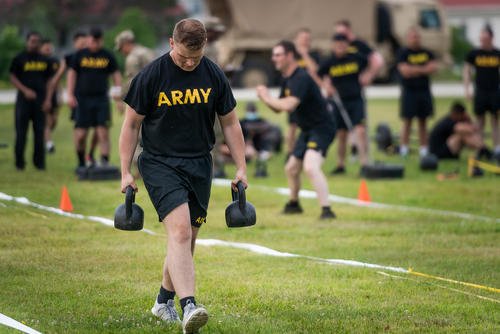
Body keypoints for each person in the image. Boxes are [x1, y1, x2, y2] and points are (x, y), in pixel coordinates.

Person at [119, 19, 247, 333]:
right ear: (171, 42)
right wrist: (124, 171)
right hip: (160, 162)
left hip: (200, 163)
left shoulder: (213, 73)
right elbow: (131, 125)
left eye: (196, 57)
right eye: (183, 57)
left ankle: (163, 300)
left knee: (188, 237)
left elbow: (229, 123)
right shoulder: (151, 75)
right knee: (179, 233)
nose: (190, 63)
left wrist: (242, 166)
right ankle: (189, 304)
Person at [257, 40, 336, 219]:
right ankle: (294, 205)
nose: (273, 59)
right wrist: (266, 98)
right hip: (307, 129)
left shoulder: (301, 77)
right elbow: (278, 107)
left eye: (278, 55)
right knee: (291, 168)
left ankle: (327, 210)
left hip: (322, 127)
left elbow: (290, 105)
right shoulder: (287, 78)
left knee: (310, 166)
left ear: (290, 56)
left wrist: (266, 97)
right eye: (273, 55)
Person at [67, 27, 122, 170]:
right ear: (88, 39)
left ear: (101, 41)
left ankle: (104, 162)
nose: (95, 44)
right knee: (81, 135)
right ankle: (81, 162)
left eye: (98, 42)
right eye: (92, 41)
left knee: (103, 132)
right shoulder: (80, 55)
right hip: (82, 99)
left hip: (101, 99)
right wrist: (70, 94)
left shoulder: (107, 55)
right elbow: (72, 74)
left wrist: (118, 95)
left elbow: (116, 75)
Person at [318, 33, 370, 175]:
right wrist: (326, 86)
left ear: (347, 45)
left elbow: (370, 63)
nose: (340, 47)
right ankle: (341, 165)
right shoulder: (329, 61)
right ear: (334, 46)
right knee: (341, 134)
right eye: (338, 44)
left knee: (360, 130)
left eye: (343, 44)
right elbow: (318, 74)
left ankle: (364, 164)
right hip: (339, 102)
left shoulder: (356, 58)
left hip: (356, 100)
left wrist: (368, 76)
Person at [335, 19, 384, 162]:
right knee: (345, 125)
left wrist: (368, 75)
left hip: (356, 90)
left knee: (359, 123)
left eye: (343, 33)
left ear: (349, 30)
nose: (340, 36)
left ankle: (362, 152)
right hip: (343, 91)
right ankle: (353, 150)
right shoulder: (338, 47)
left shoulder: (359, 45)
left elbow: (377, 60)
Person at [9, 31, 55, 170]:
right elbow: (12, 77)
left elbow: (50, 82)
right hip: (23, 102)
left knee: (39, 133)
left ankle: (39, 163)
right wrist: (25, 90)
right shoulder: (19, 58)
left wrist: (48, 99)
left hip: (40, 102)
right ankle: (19, 163)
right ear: (27, 41)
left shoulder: (44, 60)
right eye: (32, 41)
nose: (35, 44)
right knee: (21, 133)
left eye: (37, 41)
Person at [115, 30, 156, 177]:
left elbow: (133, 82)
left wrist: (121, 96)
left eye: (121, 48)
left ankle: (140, 170)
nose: (122, 52)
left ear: (126, 44)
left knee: (135, 134)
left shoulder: (133, 57)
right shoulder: (149, 52)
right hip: (158, 100)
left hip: (141, 101)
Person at [397, 27, 438, 158]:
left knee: (423, 121)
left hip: (424, 91)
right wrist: (422, 69)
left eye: (417, 37)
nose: (415, 39)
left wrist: (414, 69)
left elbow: (432, 68)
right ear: (408, 39)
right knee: (407, 121)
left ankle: (424, 149)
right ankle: (403, 149)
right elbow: (404, 71)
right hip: (409, 91)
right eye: (412, 37)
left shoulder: (427, 53)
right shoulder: (403, 53)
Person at [463, 24, 500, 159]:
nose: (482, 40)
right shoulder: (474, 54)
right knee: (479, 121)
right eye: (481, 37)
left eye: (485, 37)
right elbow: (467, 71)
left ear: (491, 38)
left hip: (495, 92)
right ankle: (480, 148)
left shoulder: (497, 54)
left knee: (495, 120)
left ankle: (497, 149)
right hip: (480, 92)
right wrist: (467, 89)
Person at [285, 28, 322, 160]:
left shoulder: (314, 55)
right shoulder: (291, 55)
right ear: (296, 40)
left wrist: (305, 55)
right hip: (295, 92)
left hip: (310, 96)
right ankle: (290, 152)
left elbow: (315, 70)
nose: (305, 41)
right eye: (303, 38)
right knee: (293, 124)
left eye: (308, 39)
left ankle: (309, 149)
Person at [203, 16, 228, 178]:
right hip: (205, 97)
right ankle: (210, 167)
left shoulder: (213, 47)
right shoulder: (201, 48)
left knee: (218, 133)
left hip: (216, 95)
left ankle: (218, 166)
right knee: (209, 133)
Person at [240, 102, 282, 177]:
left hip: (260, 146)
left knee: (263, 154)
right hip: (245, 147)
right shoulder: (242, 123)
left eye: (252, 111)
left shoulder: (262, 122)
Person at [39, 38, 60, 153]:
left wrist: (60, 96)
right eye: (45, 46)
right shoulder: (40, 61)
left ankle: (44, 137)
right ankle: (49, 144)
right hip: (44, 94)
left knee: (54, 121)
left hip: (54, 95)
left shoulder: (55, 61)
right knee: (47, 120)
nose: (47, 48)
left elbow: (57, 80)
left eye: (49, 46)